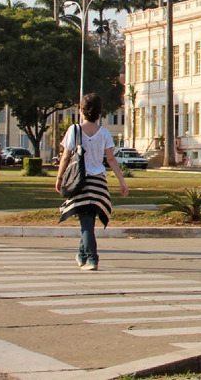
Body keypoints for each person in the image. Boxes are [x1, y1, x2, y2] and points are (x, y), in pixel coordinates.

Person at [55, 93, 129, 271]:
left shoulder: (74, 130)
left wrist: (59, 177)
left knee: (85, 220)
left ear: (81, 110)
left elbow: (65, 156)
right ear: (99, 113)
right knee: (88, 219)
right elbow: (111, 159)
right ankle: (81, 254)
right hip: (99, 182)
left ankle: (92, 258)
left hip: (80, 181)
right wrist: (122, 181)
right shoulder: (104, 133)